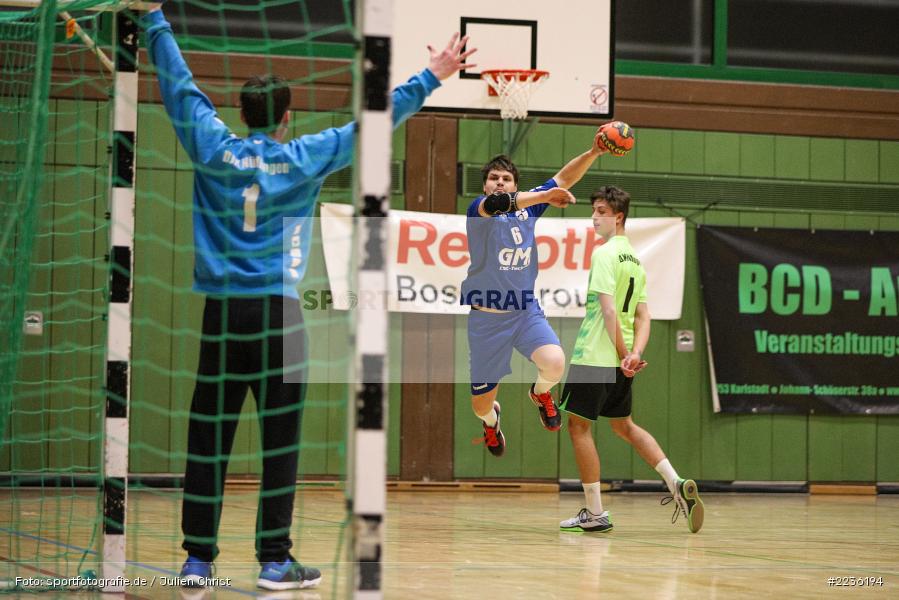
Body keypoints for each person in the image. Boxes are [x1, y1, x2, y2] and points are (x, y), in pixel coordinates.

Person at [141, 6, 476, 590]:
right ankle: (274, 560)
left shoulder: (211, 146)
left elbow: (180, 89)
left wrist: (153, 19)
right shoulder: (304, 155)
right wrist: (432, 76)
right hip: (279, 316)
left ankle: (197, 560)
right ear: (287, 117)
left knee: (207, 439)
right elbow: (375, 121)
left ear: (240, 115)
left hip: (222, 316)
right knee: (280, 443)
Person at [557, 186, 704, 534]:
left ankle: (595, 512)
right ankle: (675, 482)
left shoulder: (605, 255)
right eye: (593, 210)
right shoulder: (635, 261)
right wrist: (635, 353)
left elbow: (609, 310)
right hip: (621, 361)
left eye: (601, 211)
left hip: (595, 355)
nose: (594, 217)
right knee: (624, 426)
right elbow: (644, 316)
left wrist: (625, 353)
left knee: (579, 427)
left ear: (618, 217)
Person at [461, 140, 607, 457]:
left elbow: (564, 179)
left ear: (515, 184)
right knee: (480, 406)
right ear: (485, 185)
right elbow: (502, 203)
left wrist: (593, 152)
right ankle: (491, 422)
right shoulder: (478, 210)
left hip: (524, 311)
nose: (499, 182)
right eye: (494, 178)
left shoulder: (527, 209)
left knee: (555, 363)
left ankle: (540, 394)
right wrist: (544, 196)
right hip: (487, 319)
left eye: (506, 178)